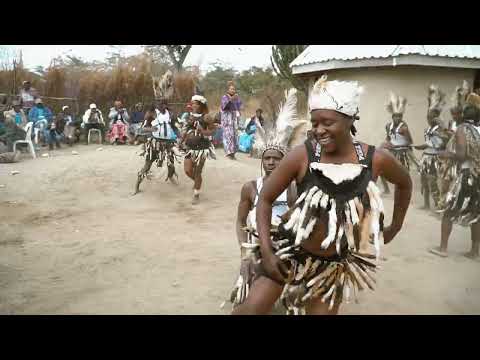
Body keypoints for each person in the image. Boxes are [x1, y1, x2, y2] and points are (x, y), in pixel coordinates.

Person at [231, 75, 412, 315]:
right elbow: (264, 198)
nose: (319, 130)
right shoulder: (303, 156)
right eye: (314, 123)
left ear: (350, 119)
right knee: (250, 310)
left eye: (327, 122)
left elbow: (405, 183)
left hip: (331, 265)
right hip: (289, 251)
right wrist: (266, 250)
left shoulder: (375, 160)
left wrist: (395, 227)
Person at [225, 90, 301, 309]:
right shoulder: (250, 188)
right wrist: (244, 250)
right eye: (267, 158)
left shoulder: (292, 190)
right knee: (245, 298)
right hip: (257, 243)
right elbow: (240, 222)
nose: (270, 162)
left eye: (276, 159)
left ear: (284, 161)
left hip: (285, 245)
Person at [430, 94, 480, 259]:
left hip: (466, 176)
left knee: (449, 211)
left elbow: (461, 154)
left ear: (464, 116)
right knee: (475, 214)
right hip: (478, 177)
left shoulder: (462, 129)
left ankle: (443, 248)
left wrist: (446, 154)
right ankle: (474, 251)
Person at [133, 99, 181, 194]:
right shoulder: (151, 113)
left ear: (166, 104)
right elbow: (141, 129)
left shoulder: (170, 114)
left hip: (168, 143)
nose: (161, 105)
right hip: (155, 143)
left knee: (170, 164)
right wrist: (150, 128)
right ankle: (137, 186)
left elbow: (175, 127)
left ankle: (170, 176)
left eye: (163, 103)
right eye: (159, 103)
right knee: (147, 166)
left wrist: (179, 136)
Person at [414, 85, 450, 210]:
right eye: (428, 116)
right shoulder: (428, 129)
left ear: (436, 117)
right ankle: (426, 204)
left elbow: (443, 144)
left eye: (431, 117)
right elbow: (428, 142)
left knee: (432, 182)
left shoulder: (441, 129)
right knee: (424, 182)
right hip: (426, 158)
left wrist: (427, 144)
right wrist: (421, 147)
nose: (428, 118)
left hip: (434, 159)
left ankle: (438, 206)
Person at [379, 92, 417, 194]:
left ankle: (404, 191)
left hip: (402, 153)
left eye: (400, 116)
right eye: (396, 116)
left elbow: (410, 142)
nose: (398, 118)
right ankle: (386, 190)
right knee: (381, 169)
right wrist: (384, 144)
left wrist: (396, 145)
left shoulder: (404, 127)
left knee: (402, 173)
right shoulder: (388, 126)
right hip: (392, 152)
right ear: (392, 116)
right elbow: (388, 137)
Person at [183, 95, 217, 204]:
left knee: (198, 172)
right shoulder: (188, 116)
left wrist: (202, 131)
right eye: (192, 103)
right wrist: (181, 140)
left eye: (195, 104)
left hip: (202, 149)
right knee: (188, 170)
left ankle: (196, 194)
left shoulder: (206, 117)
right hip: (190, 148)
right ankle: (198, 182)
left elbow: (213, 132)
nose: (193, 105)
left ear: (201, 105)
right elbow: (184, 130)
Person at [221, 81, 242, 160]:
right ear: (228, 90)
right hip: (227, 120)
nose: (233, 90)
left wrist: (239, 113)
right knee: (228, 136)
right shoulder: (224, 97)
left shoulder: (236, 97)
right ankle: (229, 153)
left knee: (235, 136)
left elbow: (239, 107)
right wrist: (231, 99)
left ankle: (233, 153)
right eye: (231, 89)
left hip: (234, 120)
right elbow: (224, 107)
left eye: (234, 89)